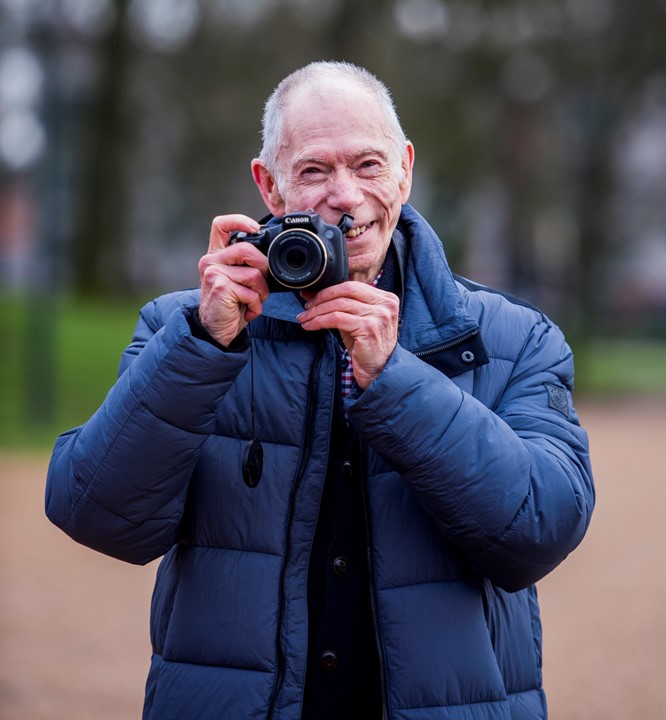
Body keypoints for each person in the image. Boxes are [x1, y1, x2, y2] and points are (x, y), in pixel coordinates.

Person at [45, 61, 595, 720]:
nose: (345, 195)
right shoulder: (183, 328)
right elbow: (96, 514)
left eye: (368, 165)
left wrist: (397, 381)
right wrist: (200, 345)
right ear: (268, 187)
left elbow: (541, 529)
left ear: (405, 170)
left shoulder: (515, 339)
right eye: (313, 171)